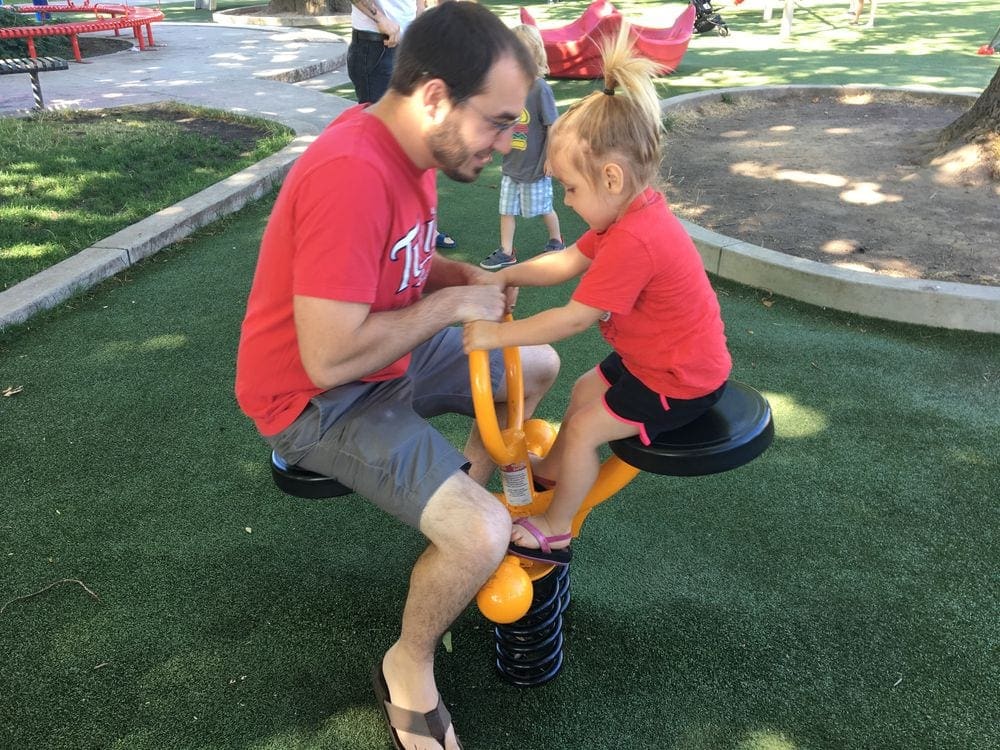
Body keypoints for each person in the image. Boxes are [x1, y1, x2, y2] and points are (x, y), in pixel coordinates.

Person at [235, 4, 559, 749]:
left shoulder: (412, 150)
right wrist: (450, 301)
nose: (510, 142)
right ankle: (407, 663)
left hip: (385, 354)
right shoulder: (353, 171)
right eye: (500, 121)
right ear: (437, 97)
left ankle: (465, 504)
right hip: (318, 398)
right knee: (480, 536)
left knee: (533, 364)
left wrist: (459, 274)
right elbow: (327, 357)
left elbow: (403, 264)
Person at [463, 25, 732, 567]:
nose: (566, 200)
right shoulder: (627, 213)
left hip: (680, 380)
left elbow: (573, 319)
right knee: (588, 386)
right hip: (649, 358)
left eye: (570, 189)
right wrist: (501, 275)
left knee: (585, 427)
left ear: (610, 177)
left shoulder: (636, 238)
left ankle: (556, 527)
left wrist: (496, 335)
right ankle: (548, 475)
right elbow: (565, 262)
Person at [348, 0, 457, 250]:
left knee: (416, 136)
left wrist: (419, 15)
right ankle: (375, 229)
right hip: (376, 44)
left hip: (405, 45)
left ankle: (420, 226)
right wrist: (380, 18)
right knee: (376, 147)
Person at [479, 24, 564, 270]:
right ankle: (507, 251)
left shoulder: (540, 89)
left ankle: (556, 240)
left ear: (535, 55)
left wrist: (551, 158)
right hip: (511, 165)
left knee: (544, 207)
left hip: (535, 167)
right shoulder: (509, 87)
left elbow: (553, 126)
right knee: (506, 209)